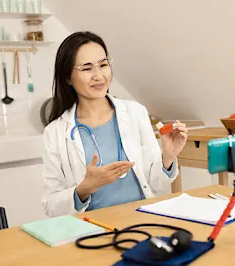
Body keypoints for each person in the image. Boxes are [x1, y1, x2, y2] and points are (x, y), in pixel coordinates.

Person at [41, 31, 188, 217]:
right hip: (91, 229)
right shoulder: (55, 132)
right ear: (67, 78)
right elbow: (51, 205)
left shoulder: (136, 112)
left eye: (103, 65)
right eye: (87, 68)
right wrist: (85, 188)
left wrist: (167, 157)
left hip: (142, 219)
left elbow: (156, 184)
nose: (99, 75)